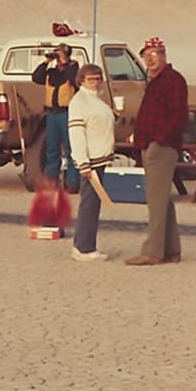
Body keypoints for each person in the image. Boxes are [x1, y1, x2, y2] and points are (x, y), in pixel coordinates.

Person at [125, 36, 187, 267]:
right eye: (146, 55)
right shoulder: (153, 81)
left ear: (163, 55)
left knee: (155, 201)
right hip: (148, 144)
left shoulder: (173, 80)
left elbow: (178, 115)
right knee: (163, 200)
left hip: (162, 147)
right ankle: (171, 250)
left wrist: (159, 142)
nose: (150, 59)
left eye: (154, 54)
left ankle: (152, 252)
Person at [66, 63, 116, 263]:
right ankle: (83, 247)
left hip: (101, 158)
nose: (95, 82)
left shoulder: (97, 100)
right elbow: (76, 134)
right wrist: (82, 162)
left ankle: (86, 244)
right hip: (90, 161)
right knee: (89, 204)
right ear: (81, 81)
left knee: (93, 204)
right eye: (91, 79)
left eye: (97, 78)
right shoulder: (79, 101)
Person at [30, 42, 81, 190]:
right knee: (51, 150)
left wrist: (65, 63)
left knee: (71, 150)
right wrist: (46, 62)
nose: (57, 57)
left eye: (59, 53)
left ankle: (72, 183)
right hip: (51, 114)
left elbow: (75, 81)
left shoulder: (73, 69)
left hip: (66, 113)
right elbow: (36, 77)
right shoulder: (52, 72)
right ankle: (50, 181)